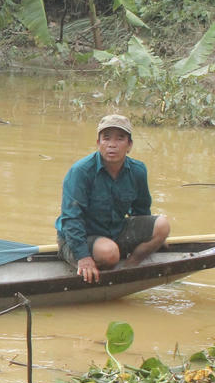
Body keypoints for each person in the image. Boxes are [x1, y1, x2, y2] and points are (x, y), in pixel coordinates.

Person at [56, 114, 170, 284]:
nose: (112, 145)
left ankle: (130, 267)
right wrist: (83, 257)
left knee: (162, 225)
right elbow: (71, 219)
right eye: (106, 138)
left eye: (120, 139)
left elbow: (141, 210)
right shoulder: (81, 172)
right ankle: (102, 262)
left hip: (115, 231)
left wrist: (150, 240)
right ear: (98, 143)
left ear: (129, 145)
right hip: (79, 239)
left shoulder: (138, 171)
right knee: (110, 253)